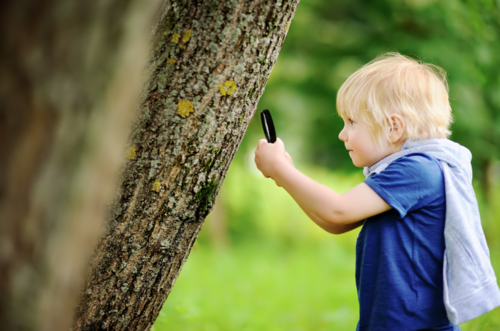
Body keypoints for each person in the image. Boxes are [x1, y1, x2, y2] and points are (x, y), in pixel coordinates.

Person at [254, 52, 500, 331]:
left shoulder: (419, 170)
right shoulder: (407, 170)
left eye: (352, 122)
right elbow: (337, 222)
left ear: (393, 127)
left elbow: (338, 210)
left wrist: (282, 171)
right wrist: (286, 177)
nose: (342, 134)